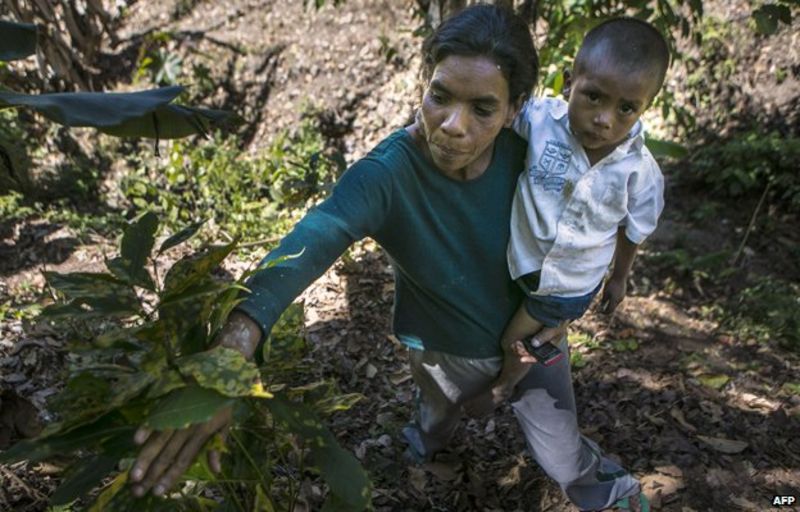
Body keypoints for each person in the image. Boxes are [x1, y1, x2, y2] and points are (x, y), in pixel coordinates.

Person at [129, 6, 648, 511]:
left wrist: (572, 307)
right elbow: (315, 237)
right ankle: (425, 444)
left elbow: (593, 230)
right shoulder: (389, 174)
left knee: (560, 455)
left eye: (482, 109)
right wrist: (234, 345)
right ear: (423, 86)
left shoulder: (539, 160)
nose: (451, 125)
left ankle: (609, 492)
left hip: (533, 344)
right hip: (441, 349)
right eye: (439, 97)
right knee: (435, 418)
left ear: (515, 110)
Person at [464, 17, 668, 426]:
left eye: (626, 108)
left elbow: (634, 230)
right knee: (521, 322)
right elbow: (499, 112)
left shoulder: (640, 173)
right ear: (568, 81)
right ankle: (550, 336)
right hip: (524, 260)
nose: (604, 119)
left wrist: (619, 278)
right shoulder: (541, 120)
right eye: (593, 97)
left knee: (513, 340)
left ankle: (504, 384)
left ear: (646, 107)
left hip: (570, 284)